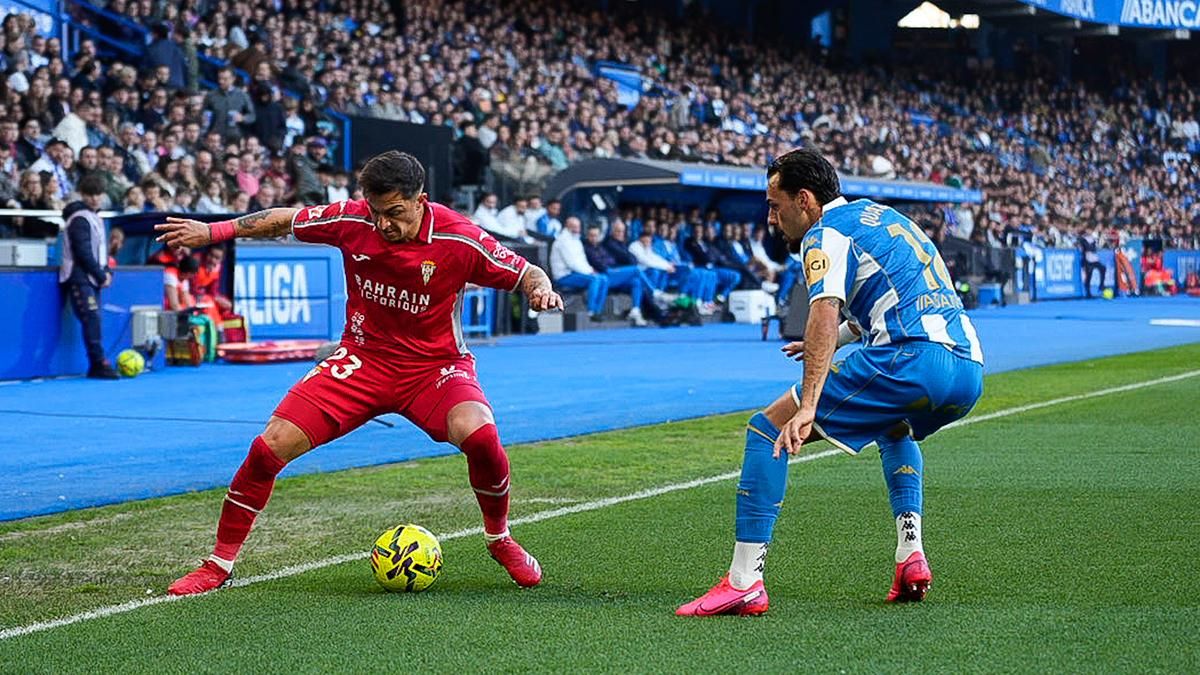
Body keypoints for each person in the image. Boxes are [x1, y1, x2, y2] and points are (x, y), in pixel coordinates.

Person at [155, 151, 563, 595]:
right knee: (269, 447)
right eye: (375, 212)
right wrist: (212, 231)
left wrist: (541, 290)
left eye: (395, 213)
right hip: (363, 360)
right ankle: (218, 565)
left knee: (482, 437)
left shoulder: (459, 238)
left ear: (420, 200)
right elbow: (282, 219)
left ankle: (499, 538)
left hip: (435, 368)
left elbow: (526, 271)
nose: (384, 224)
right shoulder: (353, 220)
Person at [677, 149, 984, 616]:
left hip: (911, 360)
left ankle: (744, 581)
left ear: (805, 200)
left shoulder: (823, 235)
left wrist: (808, 405)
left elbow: (823, 310)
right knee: (893, 426)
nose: (771, 219)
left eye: (775, 206)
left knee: (768, 429)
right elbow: (889, 303)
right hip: (967, 367)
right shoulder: (881, 217)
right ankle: (910, 554)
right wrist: (833, 341)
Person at [59, 174, 118, 379]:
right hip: (79, 276)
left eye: (98, 195)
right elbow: (82, 252)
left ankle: (97, 363)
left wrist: (107, 271)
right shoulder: (79, 219)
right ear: (83, 195)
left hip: (92, 276)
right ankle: (98, 362)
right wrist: (101, 275)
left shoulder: (96, 217)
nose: (94, 199)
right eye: (90, 195)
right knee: (91, 318)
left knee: (94, 319)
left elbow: (101, 250)